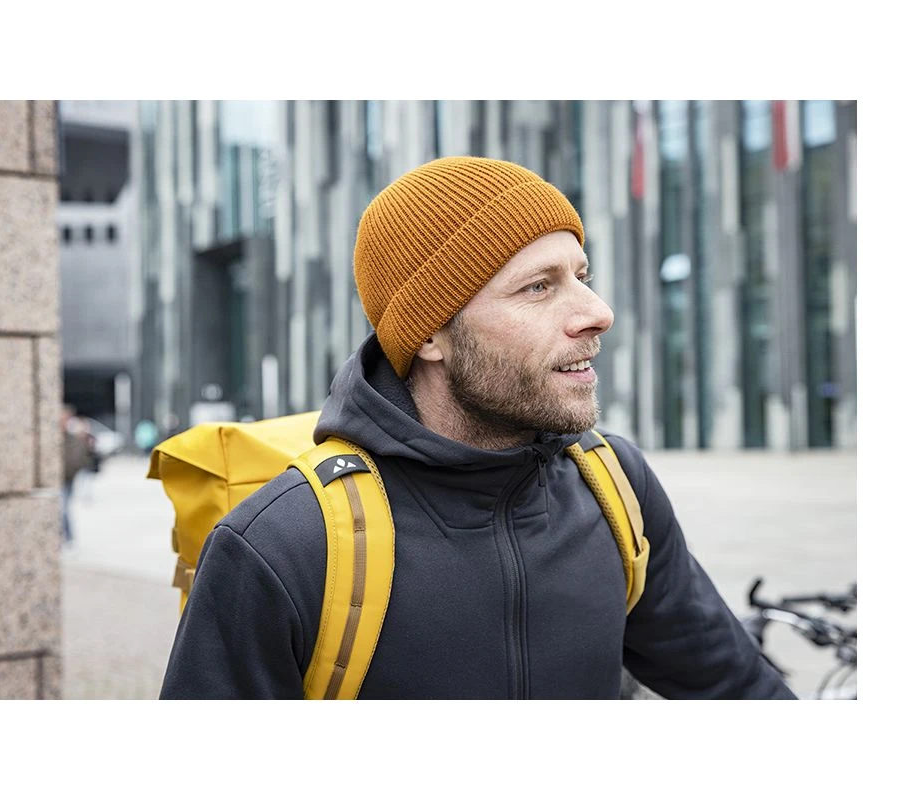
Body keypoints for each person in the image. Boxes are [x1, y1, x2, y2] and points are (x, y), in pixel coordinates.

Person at [160, 156, 796, 699]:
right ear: (430, 334)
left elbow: (738, 689)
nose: (597, 313)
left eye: (582, 276)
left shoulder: (614, 488)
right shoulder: (284, 543)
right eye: (537, 288)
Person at [61, 405, 93, 546]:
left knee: (63, 509)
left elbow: (80, 458)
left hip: (67, 478)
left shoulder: (74, 438)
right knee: (61, 509)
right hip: (58, 479)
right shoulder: (53, 438)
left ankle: (68, 538)